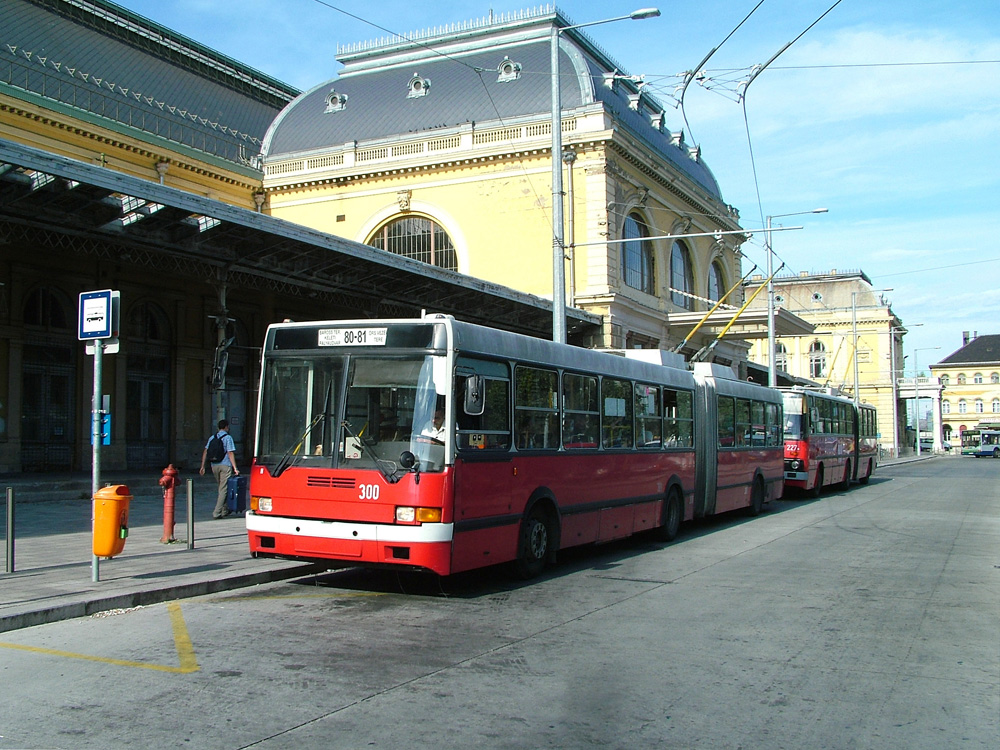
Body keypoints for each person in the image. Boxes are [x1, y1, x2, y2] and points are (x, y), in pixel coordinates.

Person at [200, 419, 239, 518]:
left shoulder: (212, 437)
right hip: (225, 465)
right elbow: (230, 453)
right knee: (223, 489)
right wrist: (235, 468)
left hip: (214, 465)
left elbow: (205, 451)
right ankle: (217, 512)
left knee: (222, 488)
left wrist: (203, 466)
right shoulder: (228, 437)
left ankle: (225, 510)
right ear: (226, 427)